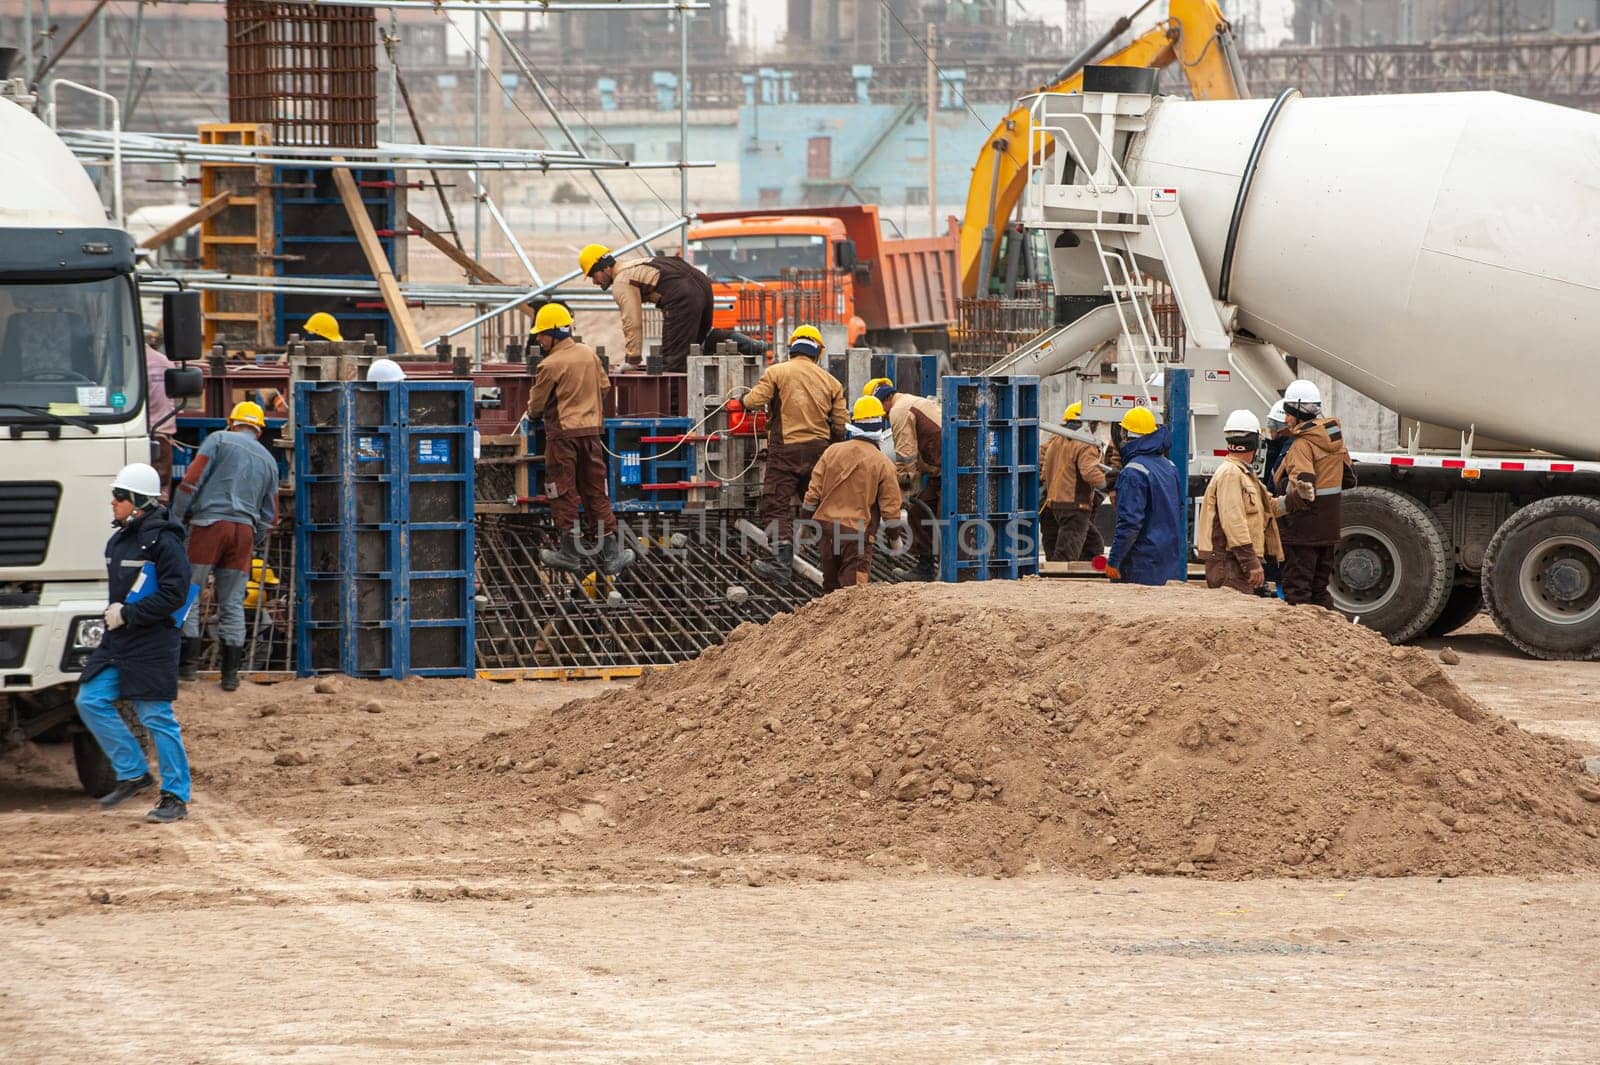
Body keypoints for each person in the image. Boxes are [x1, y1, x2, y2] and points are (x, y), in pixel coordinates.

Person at [76, 463, 194, 823]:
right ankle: (133, 772)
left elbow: (175, 593)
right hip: (120, 642)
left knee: (156, 716)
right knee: (90, 699)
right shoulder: (122, 539)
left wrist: (128, 614)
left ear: (139, 501)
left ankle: (175, 796)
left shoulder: (165, 541)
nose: (113, 501)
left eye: (120, 496)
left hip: (152, 642)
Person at [171, 401, 279, 692]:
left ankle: (188, 669)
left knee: (190, 594)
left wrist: (176, 521)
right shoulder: (269, 461)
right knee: (232, 602)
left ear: (232, 423)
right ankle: (230, 676)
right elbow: (270, 517)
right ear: (258, 430)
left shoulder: (217, 440)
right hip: (243, 532)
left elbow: (191, 483)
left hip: (208, 526)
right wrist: (251, 540)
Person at [526, 302, 634, 575]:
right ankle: (611, 554)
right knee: (595, 491)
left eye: (541, 334)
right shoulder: (589, 354)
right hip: (592, 435)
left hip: (563, 437)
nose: (538, 339)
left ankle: (570, 553)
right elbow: (605, 387)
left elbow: (536, 407)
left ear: (554, 333)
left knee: (561, 490)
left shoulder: (549, 365)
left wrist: (534, 413)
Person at [741, 325, 848, 582]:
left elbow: (755, 401)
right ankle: (839, 564)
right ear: (817, 352)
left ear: (792, 348)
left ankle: (780, 565)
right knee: (822, 507)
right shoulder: (831, 382)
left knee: (776, 505)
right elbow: (841, 425)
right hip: (819, 452)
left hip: (785, 451)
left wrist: (741, 402)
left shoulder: (777, 371)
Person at [578, 243, 765, 372]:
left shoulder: (622, 281)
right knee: (698, 340)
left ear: (603, 268)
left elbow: (632, 322)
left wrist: (632, 360)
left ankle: (674, 409)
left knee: (673, 360)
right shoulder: (636, 264)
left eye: (593, 275)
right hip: (702, 284)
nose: (595, 282)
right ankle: (744, 344)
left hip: (682, 296)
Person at [802, 396, 904, 593]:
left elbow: (812, 495)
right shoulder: (882, 463)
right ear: (880, 426)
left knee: (830, 588)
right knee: (853, 595)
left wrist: (805, 525)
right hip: (856, 535)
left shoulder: (832, 451)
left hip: (827, 530)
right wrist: (894, 538)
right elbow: (891, 509)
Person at [1273, 378, 1357, 609]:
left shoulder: (1302, 445)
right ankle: (1327, 640)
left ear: (1299, 412)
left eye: (1289, 413)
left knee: (1297, 591)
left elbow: (1304, 488)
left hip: (1302, 531)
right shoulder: (1335, 441)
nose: (1286, 419)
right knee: (1319, 590)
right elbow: (1350, 479)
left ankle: (1300, 641)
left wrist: (1280, 502)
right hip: (1328, 529)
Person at [1197, 410, 1285, 594]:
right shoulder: (1231, 474)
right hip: (1229, 563)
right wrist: (1251, 562)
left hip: (1234, 561)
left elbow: (1269, 507)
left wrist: (1295, 500)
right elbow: (1233, 521)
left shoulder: (1244, 474)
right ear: (1255, 442)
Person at [863, 377, 941, 581]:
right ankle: (927, 568)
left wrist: (905, 493)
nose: (885, 417)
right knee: (919, 513)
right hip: (941, 469)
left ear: (882, 401)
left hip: (946, 470)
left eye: (882, 413)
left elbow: (906, 457)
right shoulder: (910, 401)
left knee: (935, 516)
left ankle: (945, 569)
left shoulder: (899, 411)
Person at [1105, 406, 1184, 587]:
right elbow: (1178, 509)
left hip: (1141, 564)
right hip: (1167, 561)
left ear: (1125, 434)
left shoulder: (1133, 471)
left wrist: (1114, 560)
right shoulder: (1169, 466)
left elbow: (1129, 524)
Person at [1040, 402, 1108, 563]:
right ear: (1089, 423)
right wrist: (1109, 484)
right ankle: (1060, 579)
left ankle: (1063, 576)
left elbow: (1042, 463)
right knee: (1071, 552)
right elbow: (1089, 472)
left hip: (1053, 504)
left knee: (1085, 544)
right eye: (1095, 424)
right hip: (1075, 504)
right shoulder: (1086, 443)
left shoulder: (1055, 439)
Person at [144, 342, 176, 499]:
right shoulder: (163, 361)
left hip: (152, 437)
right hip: (161, 435)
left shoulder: (136, 362)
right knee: (158, 498)